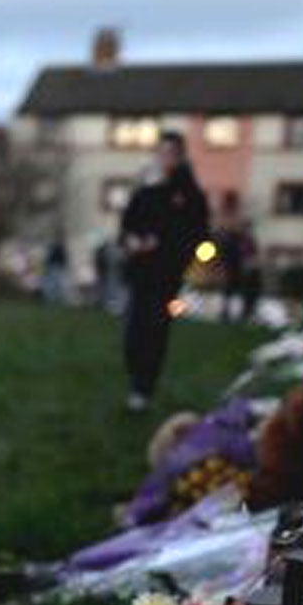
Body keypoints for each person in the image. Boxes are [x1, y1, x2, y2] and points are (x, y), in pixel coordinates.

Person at [116, 130, 208, 412]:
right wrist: (132, 241)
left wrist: (164, 246)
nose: (165, 158)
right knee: (133, 330)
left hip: (168, 276)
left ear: (180, 157)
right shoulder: (145, 192)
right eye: (161, 152)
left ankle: (144, 387)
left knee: (156, 330)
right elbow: (127, 225)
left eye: (171, 153)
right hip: (139, 273)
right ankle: (136, 377)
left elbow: (197, 236)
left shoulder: (190, 195)